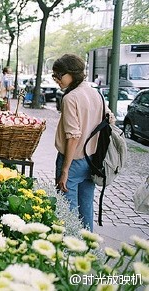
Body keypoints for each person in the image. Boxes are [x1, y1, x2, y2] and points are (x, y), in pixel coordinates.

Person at [52, 54, 114, 231]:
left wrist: (64, 170)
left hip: (71, 161)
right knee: (86, 207)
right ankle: (88, 250)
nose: (57, 80)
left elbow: (73, 137)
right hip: (92, 160)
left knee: (68, 212)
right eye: (54, 75)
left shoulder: (70, 98)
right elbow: (111, 119)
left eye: (59, 75)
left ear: (72, 73)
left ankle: (70, 253)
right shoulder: (96, 93)